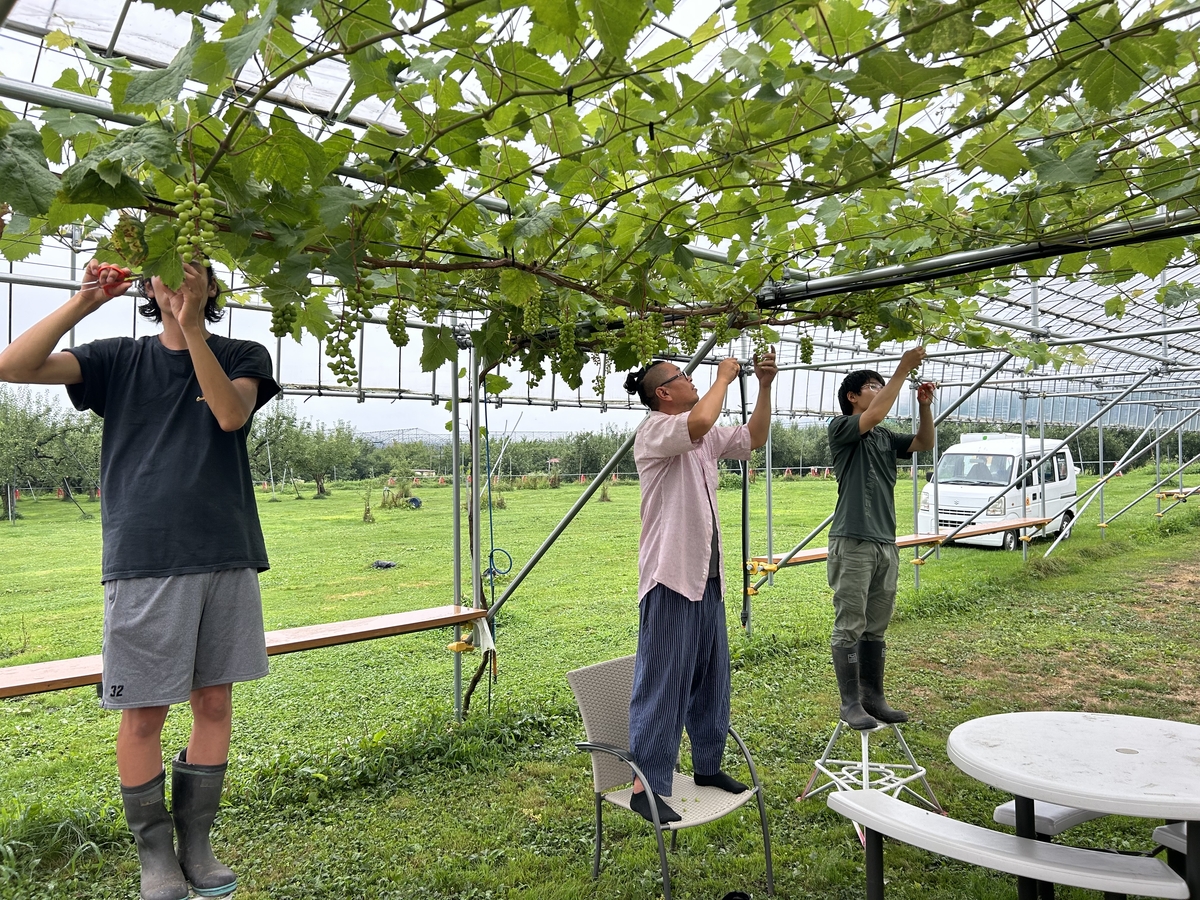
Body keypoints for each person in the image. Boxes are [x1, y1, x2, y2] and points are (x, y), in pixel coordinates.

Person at [0, 259, 280, 900]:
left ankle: (197, 847)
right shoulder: (116, 359)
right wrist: (84, 302)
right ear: (148, 289)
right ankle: (156, 857)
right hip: (146, 558)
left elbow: (230, 416)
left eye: (192, 274)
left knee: (214, 703)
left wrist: (196, 335)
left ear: (212, 287)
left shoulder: (244, 352)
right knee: (144, 712)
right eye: (163, 274)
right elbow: (13, 366)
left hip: (227, 553)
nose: (177, 283)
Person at [620, 349, 776, 823]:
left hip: (706, 579)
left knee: (712, 679)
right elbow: (701, 420)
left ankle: (707, 767)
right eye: (683, 376)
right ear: (663, 393)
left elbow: (754, 437)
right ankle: (644, 787)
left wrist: (764, 385)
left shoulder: (700, 433)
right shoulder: (657, 429)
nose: (692, 380)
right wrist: (726, 375)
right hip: (670, 579)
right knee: (663, 683)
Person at [826, 348, 935, 730]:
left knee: (876, 624)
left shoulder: (885, 437)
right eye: (872, 386)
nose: (879, 390)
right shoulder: (841, 427)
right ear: (853, 397)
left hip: (884, 543)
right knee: (850, 622)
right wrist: (902, 369)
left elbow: (924, 443)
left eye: (881, 384)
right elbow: (875, 415)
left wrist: (924, 406)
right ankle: (850, 702)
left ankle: (874, 697)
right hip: (852, 540)